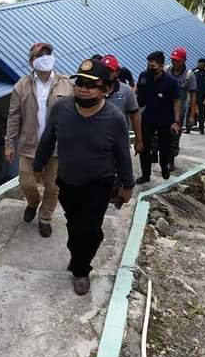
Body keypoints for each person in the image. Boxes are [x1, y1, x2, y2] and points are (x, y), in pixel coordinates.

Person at [33, 58, 135, 295]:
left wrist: (127, 185)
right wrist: (39, 164)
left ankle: (81, 270)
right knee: (74, 226)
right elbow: (48, 138)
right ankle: (78, 254)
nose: (83, 88)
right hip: (68, 181)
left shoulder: (114, 118)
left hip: (99, 184)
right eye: (80, 83)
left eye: (91, 85)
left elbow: (122, 154)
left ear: (105, 90)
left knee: (90, 231)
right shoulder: (61, 109)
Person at [5, 42, 73, 237]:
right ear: (31, 61)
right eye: (39, 55)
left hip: (58, 148)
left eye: (48, 53)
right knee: (26, 182)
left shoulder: (67, 84)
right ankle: (33, 203)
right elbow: (13, 116)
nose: (45, 57)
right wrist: (9, 143)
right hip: (29, 145)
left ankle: (45, 218)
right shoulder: (21, 86)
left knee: (53, 186)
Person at [136, 51, 182, 183]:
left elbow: (177, 101)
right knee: (144, 147)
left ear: (161, 66)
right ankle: (146, 174)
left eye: (153, 66)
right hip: (148, 118)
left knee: (165, 147)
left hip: (165, 120)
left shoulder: (170, 82)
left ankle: (164, 167)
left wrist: (176, 121)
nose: (150, 68)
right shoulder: (144, 76)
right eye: (149, 65)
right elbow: (139, 94)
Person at [101, 54, 143, 154]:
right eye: (104, 71)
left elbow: (134, 116)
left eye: (110, 71)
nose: (107, 74)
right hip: (97, 142)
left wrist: (139, 140)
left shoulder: (126, 91)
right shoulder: (92, 90)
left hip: (120, 143)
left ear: (117, 72)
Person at [167, 47, 196, 169]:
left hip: (179, 110)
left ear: (184, 60)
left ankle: (171, 159)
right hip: (165, 107)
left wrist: (192, 115)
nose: (175, 63)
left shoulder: (189, 75)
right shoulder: (166, 70)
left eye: (177, 60)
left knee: (175, 134)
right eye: (173, 60)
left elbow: (193, 96)